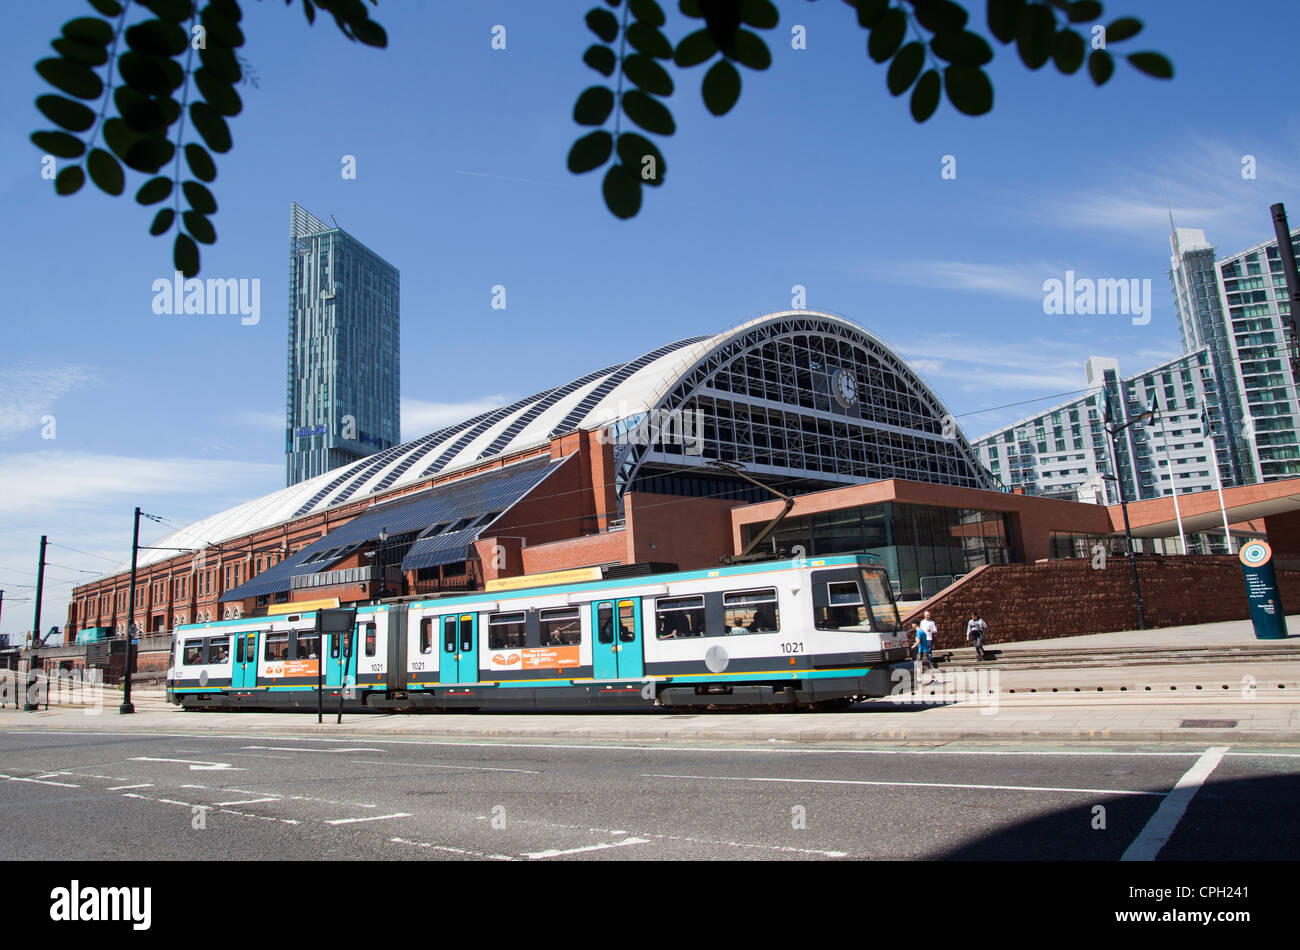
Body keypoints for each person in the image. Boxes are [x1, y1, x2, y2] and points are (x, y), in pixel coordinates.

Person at [911, 619, 936, 686]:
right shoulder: (922, 631)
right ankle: (920, 678)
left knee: (923, 665)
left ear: (915, 624)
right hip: (924, 650)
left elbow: (918, 641)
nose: (912, 625)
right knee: (922, 665)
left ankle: (932, 678)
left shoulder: (918, 632)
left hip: (922, 651)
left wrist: (912, 647)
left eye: (912, 624)